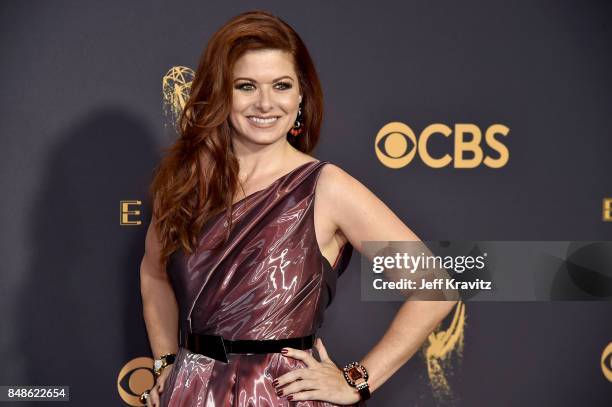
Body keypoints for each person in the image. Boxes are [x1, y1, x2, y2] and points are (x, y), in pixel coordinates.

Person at [139, 10, 457, 407]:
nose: (266, 103)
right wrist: (166, 361)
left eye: (281, 85)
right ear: (221, 92)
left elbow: (433, 286)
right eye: (246, 86)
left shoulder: (326, 186)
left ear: (301, 95)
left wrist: (356, 380)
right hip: (189, 392)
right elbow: (154, 273)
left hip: (278, 395)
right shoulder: (185, 183)